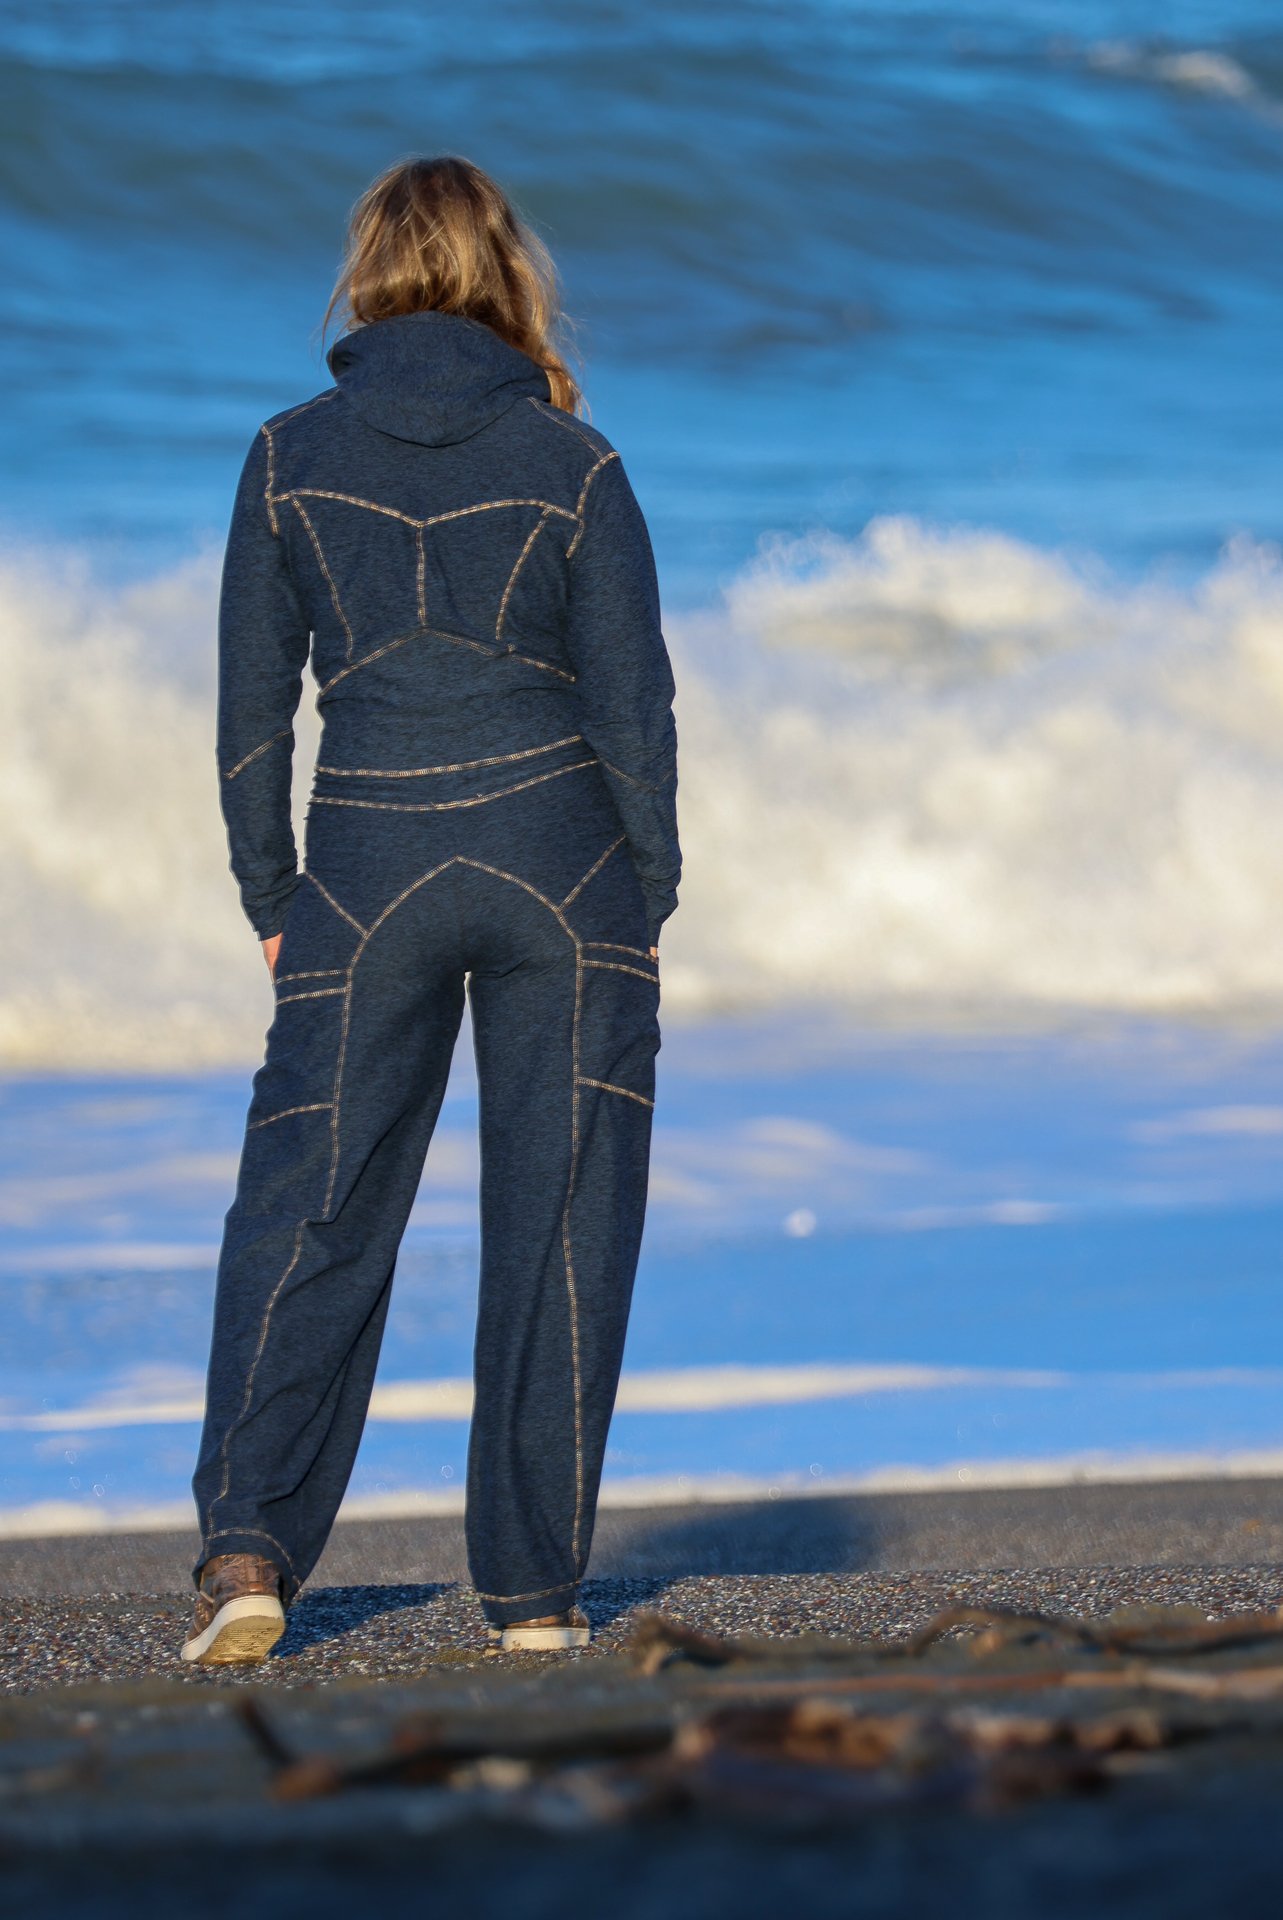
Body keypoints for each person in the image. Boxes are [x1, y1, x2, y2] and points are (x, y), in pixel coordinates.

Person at [183, 155, 680, 1665]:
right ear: (501, 273)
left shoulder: (286, 455)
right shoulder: (575, 462)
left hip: (367, 868)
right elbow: (638, 714)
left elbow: (252, 721)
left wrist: (276, 897)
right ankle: (534, 1598)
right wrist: (643, 897)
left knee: (311, 1208)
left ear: (368, 275)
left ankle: (252, 1551)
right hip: (565, 867)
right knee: (564, 1223)